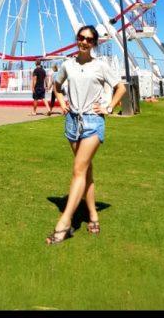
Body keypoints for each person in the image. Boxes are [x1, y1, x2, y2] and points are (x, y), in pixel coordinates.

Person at [45, 25, 127, 245]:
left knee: (78, 169)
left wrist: (109, 107)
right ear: (76, 39)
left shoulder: (100, 65)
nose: (84, 42)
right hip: (73, 122)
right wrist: (62, 103)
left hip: (93, 122)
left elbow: (121, 88)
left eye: (89, 40)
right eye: (81, 38)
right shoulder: (67, 65)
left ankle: (65, 222)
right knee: (86, 172)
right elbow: (57, 84)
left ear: (94, 43)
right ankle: (93, 215)